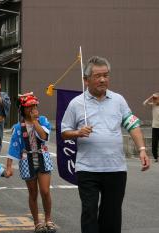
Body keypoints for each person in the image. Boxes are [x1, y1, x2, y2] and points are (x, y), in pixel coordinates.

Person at [61, 56, 150, 233]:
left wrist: (142, 149)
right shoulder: (76, 104)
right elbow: (64, 132)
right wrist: (78, 132)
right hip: (87, 169)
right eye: (97, 76)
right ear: (86, 80)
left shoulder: (119, 100)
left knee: (112, 215)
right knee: (89, 212)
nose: (103, 80)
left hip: (115, 168)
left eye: (106, 75)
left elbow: (132, 124)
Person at [6, 92, 56, 233]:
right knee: (33, 193)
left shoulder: (43, 120)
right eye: (29, 107)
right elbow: (13, 147)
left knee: (45, 191)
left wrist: (35, 121)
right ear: (23, 109)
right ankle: (37, 223)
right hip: (26, 160)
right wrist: (9, 167)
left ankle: (48, 219)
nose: (33, 109)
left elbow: (44, 136)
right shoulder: (18, 127)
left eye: (34, 106)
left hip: (42, 157)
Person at [143, 93, 159, 162]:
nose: (155, 100)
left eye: (156, 98)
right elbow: (144, 103)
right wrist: (151, 96)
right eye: (154, 99)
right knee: (154, 143)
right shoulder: (153, 105)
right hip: (155, 127)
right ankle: (156, 157)